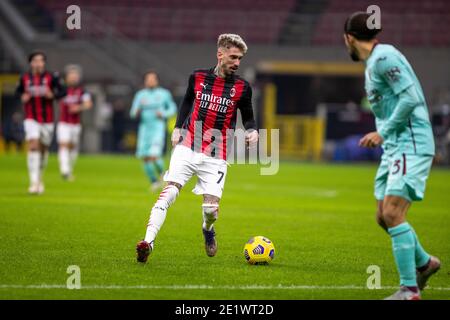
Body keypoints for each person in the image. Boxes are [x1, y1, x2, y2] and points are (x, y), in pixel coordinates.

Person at [136, 34, 258, 262]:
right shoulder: (198, 77)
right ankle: (148, 242)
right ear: (220, 54)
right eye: (233, 57)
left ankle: (207, 229)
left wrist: (252, 131)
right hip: (187, 146)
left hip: (217, 154)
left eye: (240, 58)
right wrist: (177, 127)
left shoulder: (242, 87)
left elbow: (248, 117)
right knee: (169, 192)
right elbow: (186, 102)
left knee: (210, 210)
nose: (237, 62)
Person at [343, 12, 440, 300]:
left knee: (393, 212)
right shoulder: (373, 62)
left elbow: (411, 98)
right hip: (395, 147)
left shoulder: (385, 57)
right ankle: (425, 263)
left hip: (410, 143)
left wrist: (382, 133)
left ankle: (409, 290)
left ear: (348, 38)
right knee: (382, 217)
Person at [15, 51, 66, 194]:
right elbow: (17, 92)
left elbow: (63, 92)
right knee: (33, 145)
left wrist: (53, 95)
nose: (38, 63)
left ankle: (39, 178)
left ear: (44, 63)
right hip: (31, 118)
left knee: (43, 150)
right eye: (35, 60)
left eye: (40, 60)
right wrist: (22, 96)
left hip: (47, 120)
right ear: (31, 63)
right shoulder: (24, 78)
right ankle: (33, 182)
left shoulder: (52, 77)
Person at [130, 71, 177, 191]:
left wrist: (164, 113)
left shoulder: (164, 94)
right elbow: (132, 112)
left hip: (158, 127)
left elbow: (172, 108)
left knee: (154, 155)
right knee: (144, 156)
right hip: (144, 128)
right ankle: (154, 181)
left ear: (156, 81)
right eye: (148, 79)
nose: (150, 81)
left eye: (152, 79)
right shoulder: (140, 95)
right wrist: (137, 112)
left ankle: (163, 175)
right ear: (145, 81)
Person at [57, 65, 93, 180]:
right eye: (71, 75)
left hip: (76, 123)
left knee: (73, 147)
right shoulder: (61, 89)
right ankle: (64, 170)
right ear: (66, 77)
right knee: (64, 145)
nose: (73, 78)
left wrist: (78, 107)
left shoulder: (82, 90)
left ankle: (69, 170)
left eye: (75, 76)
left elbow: (88, 104)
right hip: (63, 122)